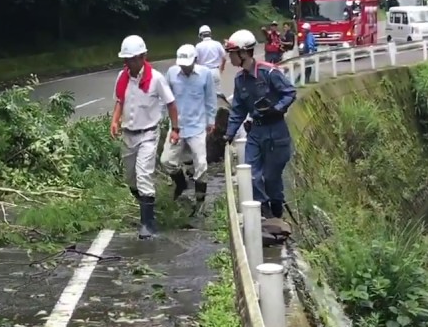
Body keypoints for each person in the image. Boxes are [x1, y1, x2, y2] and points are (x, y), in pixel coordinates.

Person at [223, 29, 297, 219]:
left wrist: (277, 108)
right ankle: (263, 213)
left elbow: (289, 92)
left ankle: (277, 212)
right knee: (252, 174)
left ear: (244, 53)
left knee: (272, 178)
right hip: (256, 132)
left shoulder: (269, 72)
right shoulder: (240, 80)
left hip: (277, 131)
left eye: (232, 53)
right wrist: (228, 134)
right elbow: (238, 110)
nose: (230, 57)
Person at [110, 35, 179, 239]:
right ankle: (148, 207)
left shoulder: (156, 78)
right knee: (131, 179)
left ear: (143, 57)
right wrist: (115, 121)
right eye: (127, 59)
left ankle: (148, 225)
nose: (130, 63)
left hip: (148, 133)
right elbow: (119, 101)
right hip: (129, 134)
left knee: (143, 175)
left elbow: (171, 104)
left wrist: (175, 128)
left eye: (134, 59)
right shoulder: (122, 77)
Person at [162, 44, 218, 209]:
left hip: (197, 126)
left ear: (195, 60)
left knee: (201, 164)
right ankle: (181, 184)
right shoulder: (172, 73)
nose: (185, 67)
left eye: (188, 64)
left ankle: (200, 202)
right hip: (177, 127)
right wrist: (165, 120)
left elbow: (210, 99)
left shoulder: (205, 74)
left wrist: (211, 121)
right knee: (167, 161)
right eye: (182, 64)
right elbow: (165, 98)